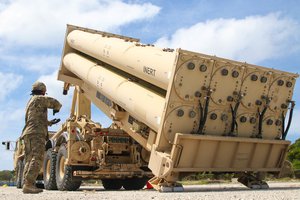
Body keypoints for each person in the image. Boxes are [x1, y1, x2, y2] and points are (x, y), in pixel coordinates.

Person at [21, 82, 62, 194]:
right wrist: (57, 108)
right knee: (37, 158)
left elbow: (35, 119)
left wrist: (49, 123)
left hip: (28, 132)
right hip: (36, 133)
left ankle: (27, 184)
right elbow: (55, 103)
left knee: (30, 159)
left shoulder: (31, 101)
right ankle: (29, 184)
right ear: (43, 91)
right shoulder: (39, 99)